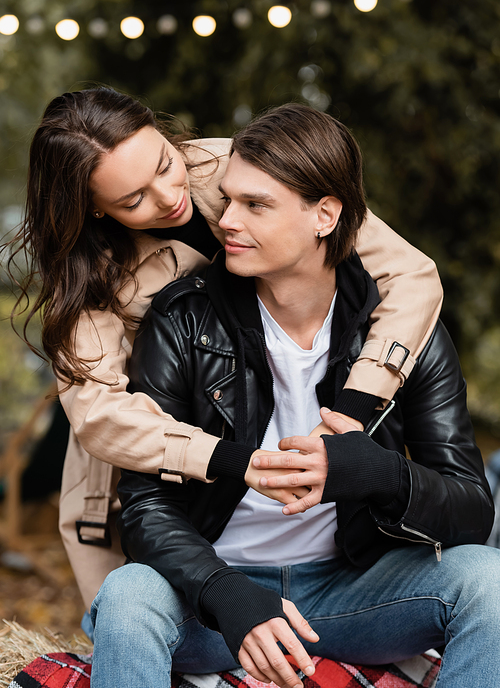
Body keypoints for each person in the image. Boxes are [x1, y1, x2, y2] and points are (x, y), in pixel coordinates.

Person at [90, 103, 498, 688]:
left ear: (324, 216)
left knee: (488, 580)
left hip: (352, 592)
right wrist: (223, 592)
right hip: (217, 599)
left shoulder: (403, 330)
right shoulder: (182, 319)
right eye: (228, 199)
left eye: (256, 206)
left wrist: (378, 474)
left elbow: (471, 512)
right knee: (128, 593)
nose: (226, 220)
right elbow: (146, 506)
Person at [5, 87, 443, 615]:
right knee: (133, 613)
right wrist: (230, 459)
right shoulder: (88, 276)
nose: (169, 196)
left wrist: (353, 407)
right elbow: (99, 412)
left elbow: (411, 275)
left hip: (276, 405)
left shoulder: (235, 168)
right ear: (93, 211)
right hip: (147, 439)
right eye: (132, 200)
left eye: (166, 164)